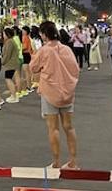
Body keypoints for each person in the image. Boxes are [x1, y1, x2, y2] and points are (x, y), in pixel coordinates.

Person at [29, 21, 80, 169]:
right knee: (69, 127)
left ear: (44, 34)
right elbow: (75, 69)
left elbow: (33, 68)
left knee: (53, 128)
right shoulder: (66, 49)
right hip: (67, 92)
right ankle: (73, 161)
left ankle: (56, 162)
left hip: (50, 92)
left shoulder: (44, 51)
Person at [1, 28, 21, 104]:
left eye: (4, 34)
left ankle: (14, 96)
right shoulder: (11, 41)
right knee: (9, 79)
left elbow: (7, 54)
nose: (3, 36)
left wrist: (2, 62)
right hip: (12, 63)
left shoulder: (9, 42)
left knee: (8, 79)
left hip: (11, 64)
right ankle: (13, 95)